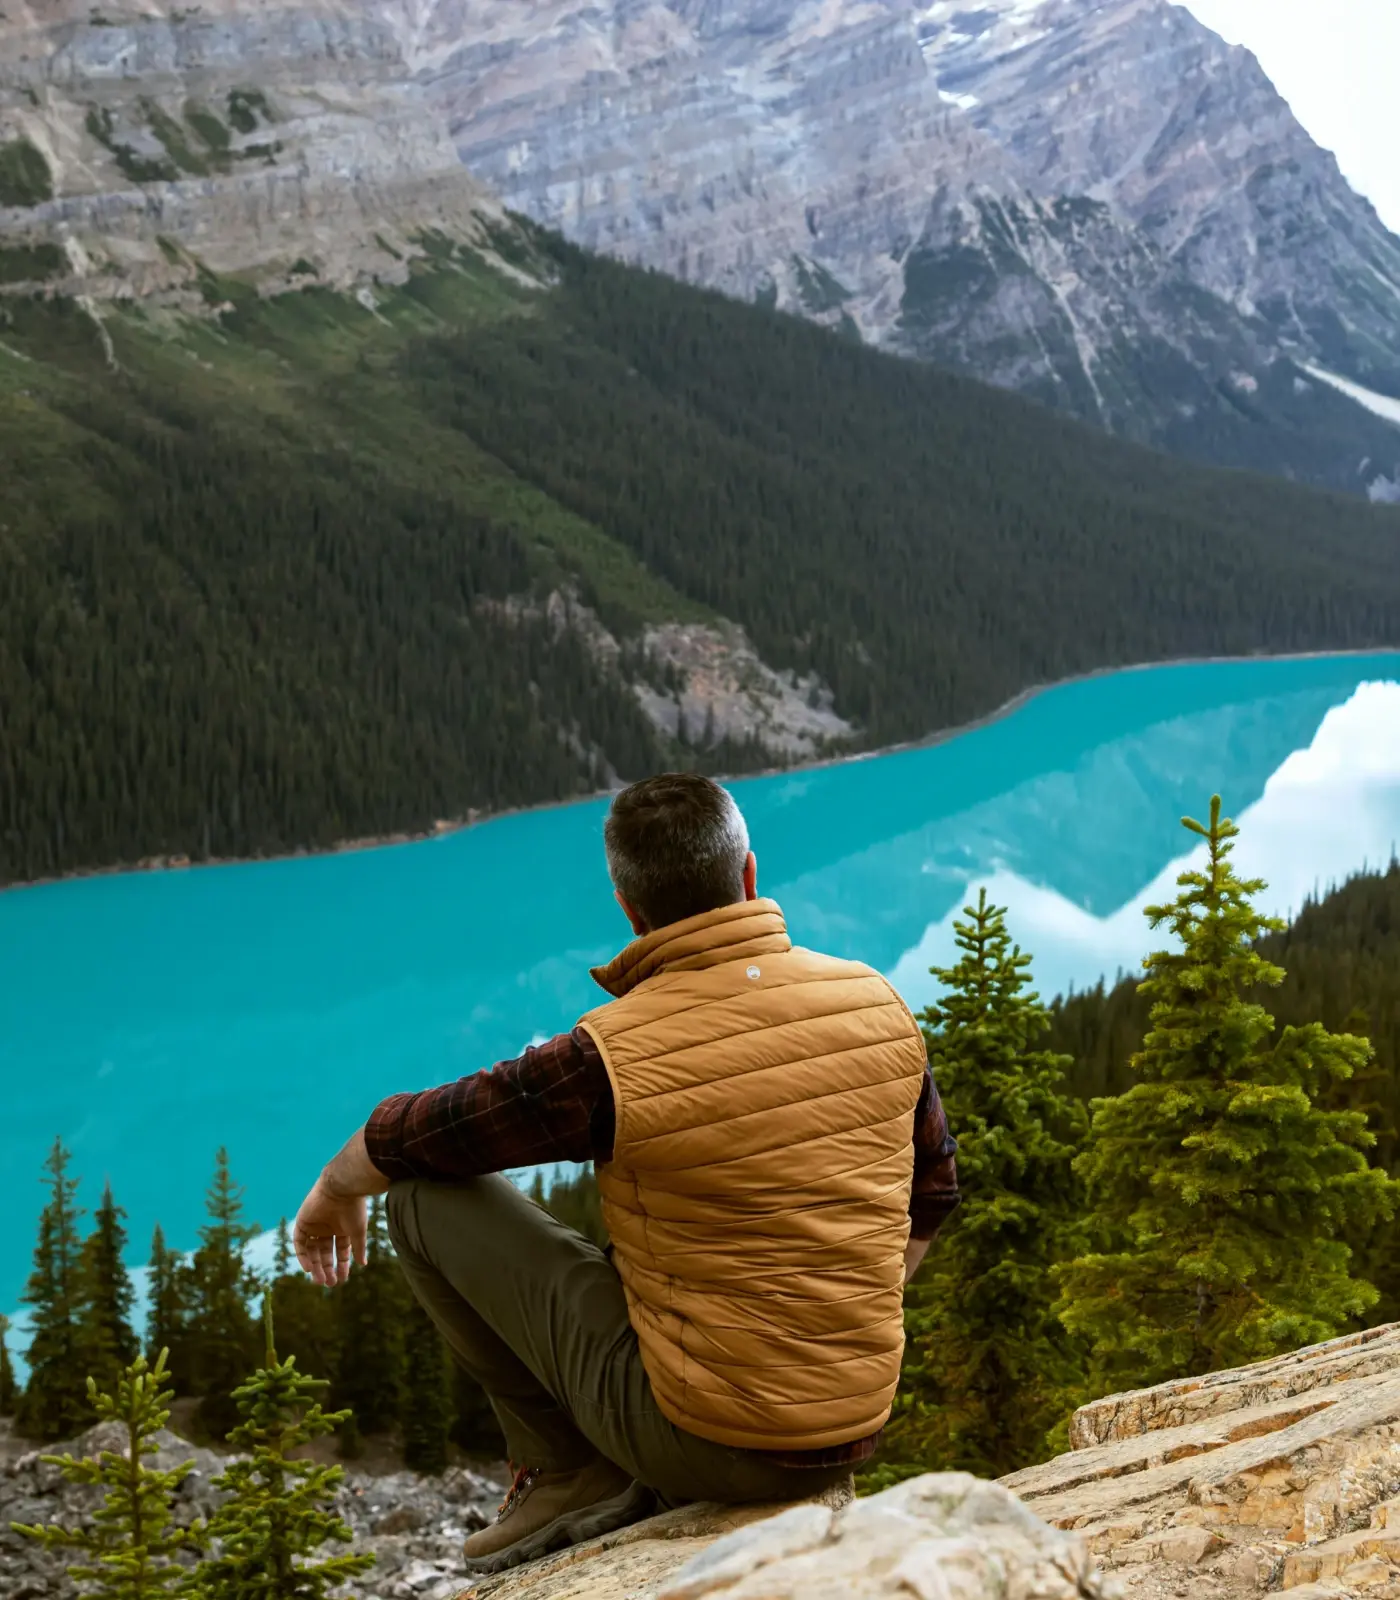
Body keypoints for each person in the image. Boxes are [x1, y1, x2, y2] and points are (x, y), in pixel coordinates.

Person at [292, 773, 959, 1576]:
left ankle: (565, 1471)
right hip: (856, 1425)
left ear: (628, 908)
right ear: (749, 875)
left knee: (422, 1202)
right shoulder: (875, 1000)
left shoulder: (609, 1056)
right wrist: (826, 1329)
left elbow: (431, 1133)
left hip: (702, 1440)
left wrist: (335, 1187)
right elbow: (934, 1194)